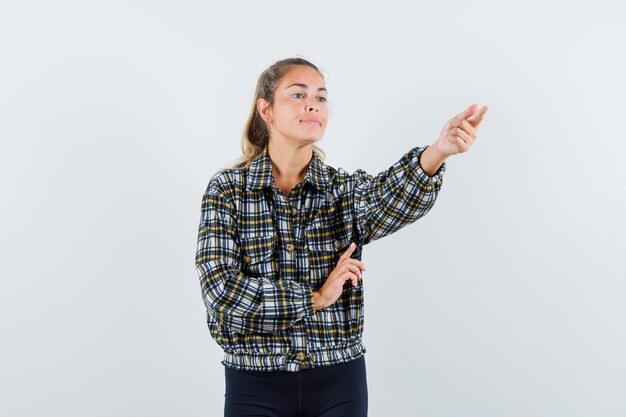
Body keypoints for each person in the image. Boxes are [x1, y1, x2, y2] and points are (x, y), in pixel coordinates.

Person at [195, 57, 488, 417]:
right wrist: (315, 298)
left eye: (320, 96)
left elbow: (388, 198)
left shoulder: (342, 190)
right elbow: (222, 294)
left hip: (338, 382)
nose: (313, 104)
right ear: (265, 109)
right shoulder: (227, 191)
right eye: (298, 94)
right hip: (253, 382)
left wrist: (438, 151)